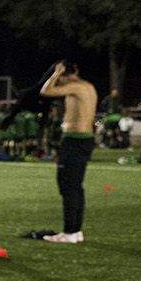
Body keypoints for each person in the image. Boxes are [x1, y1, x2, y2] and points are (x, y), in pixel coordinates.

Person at [40, 61, 98, 244]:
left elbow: (46, 91)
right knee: (76, 187)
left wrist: (55, 73)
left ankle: (70, 232)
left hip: (74, 140)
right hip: (84, 139)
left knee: (67, 186)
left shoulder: (74, 86)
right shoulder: (88, 86)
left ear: (65, 74)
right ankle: (76, 231)